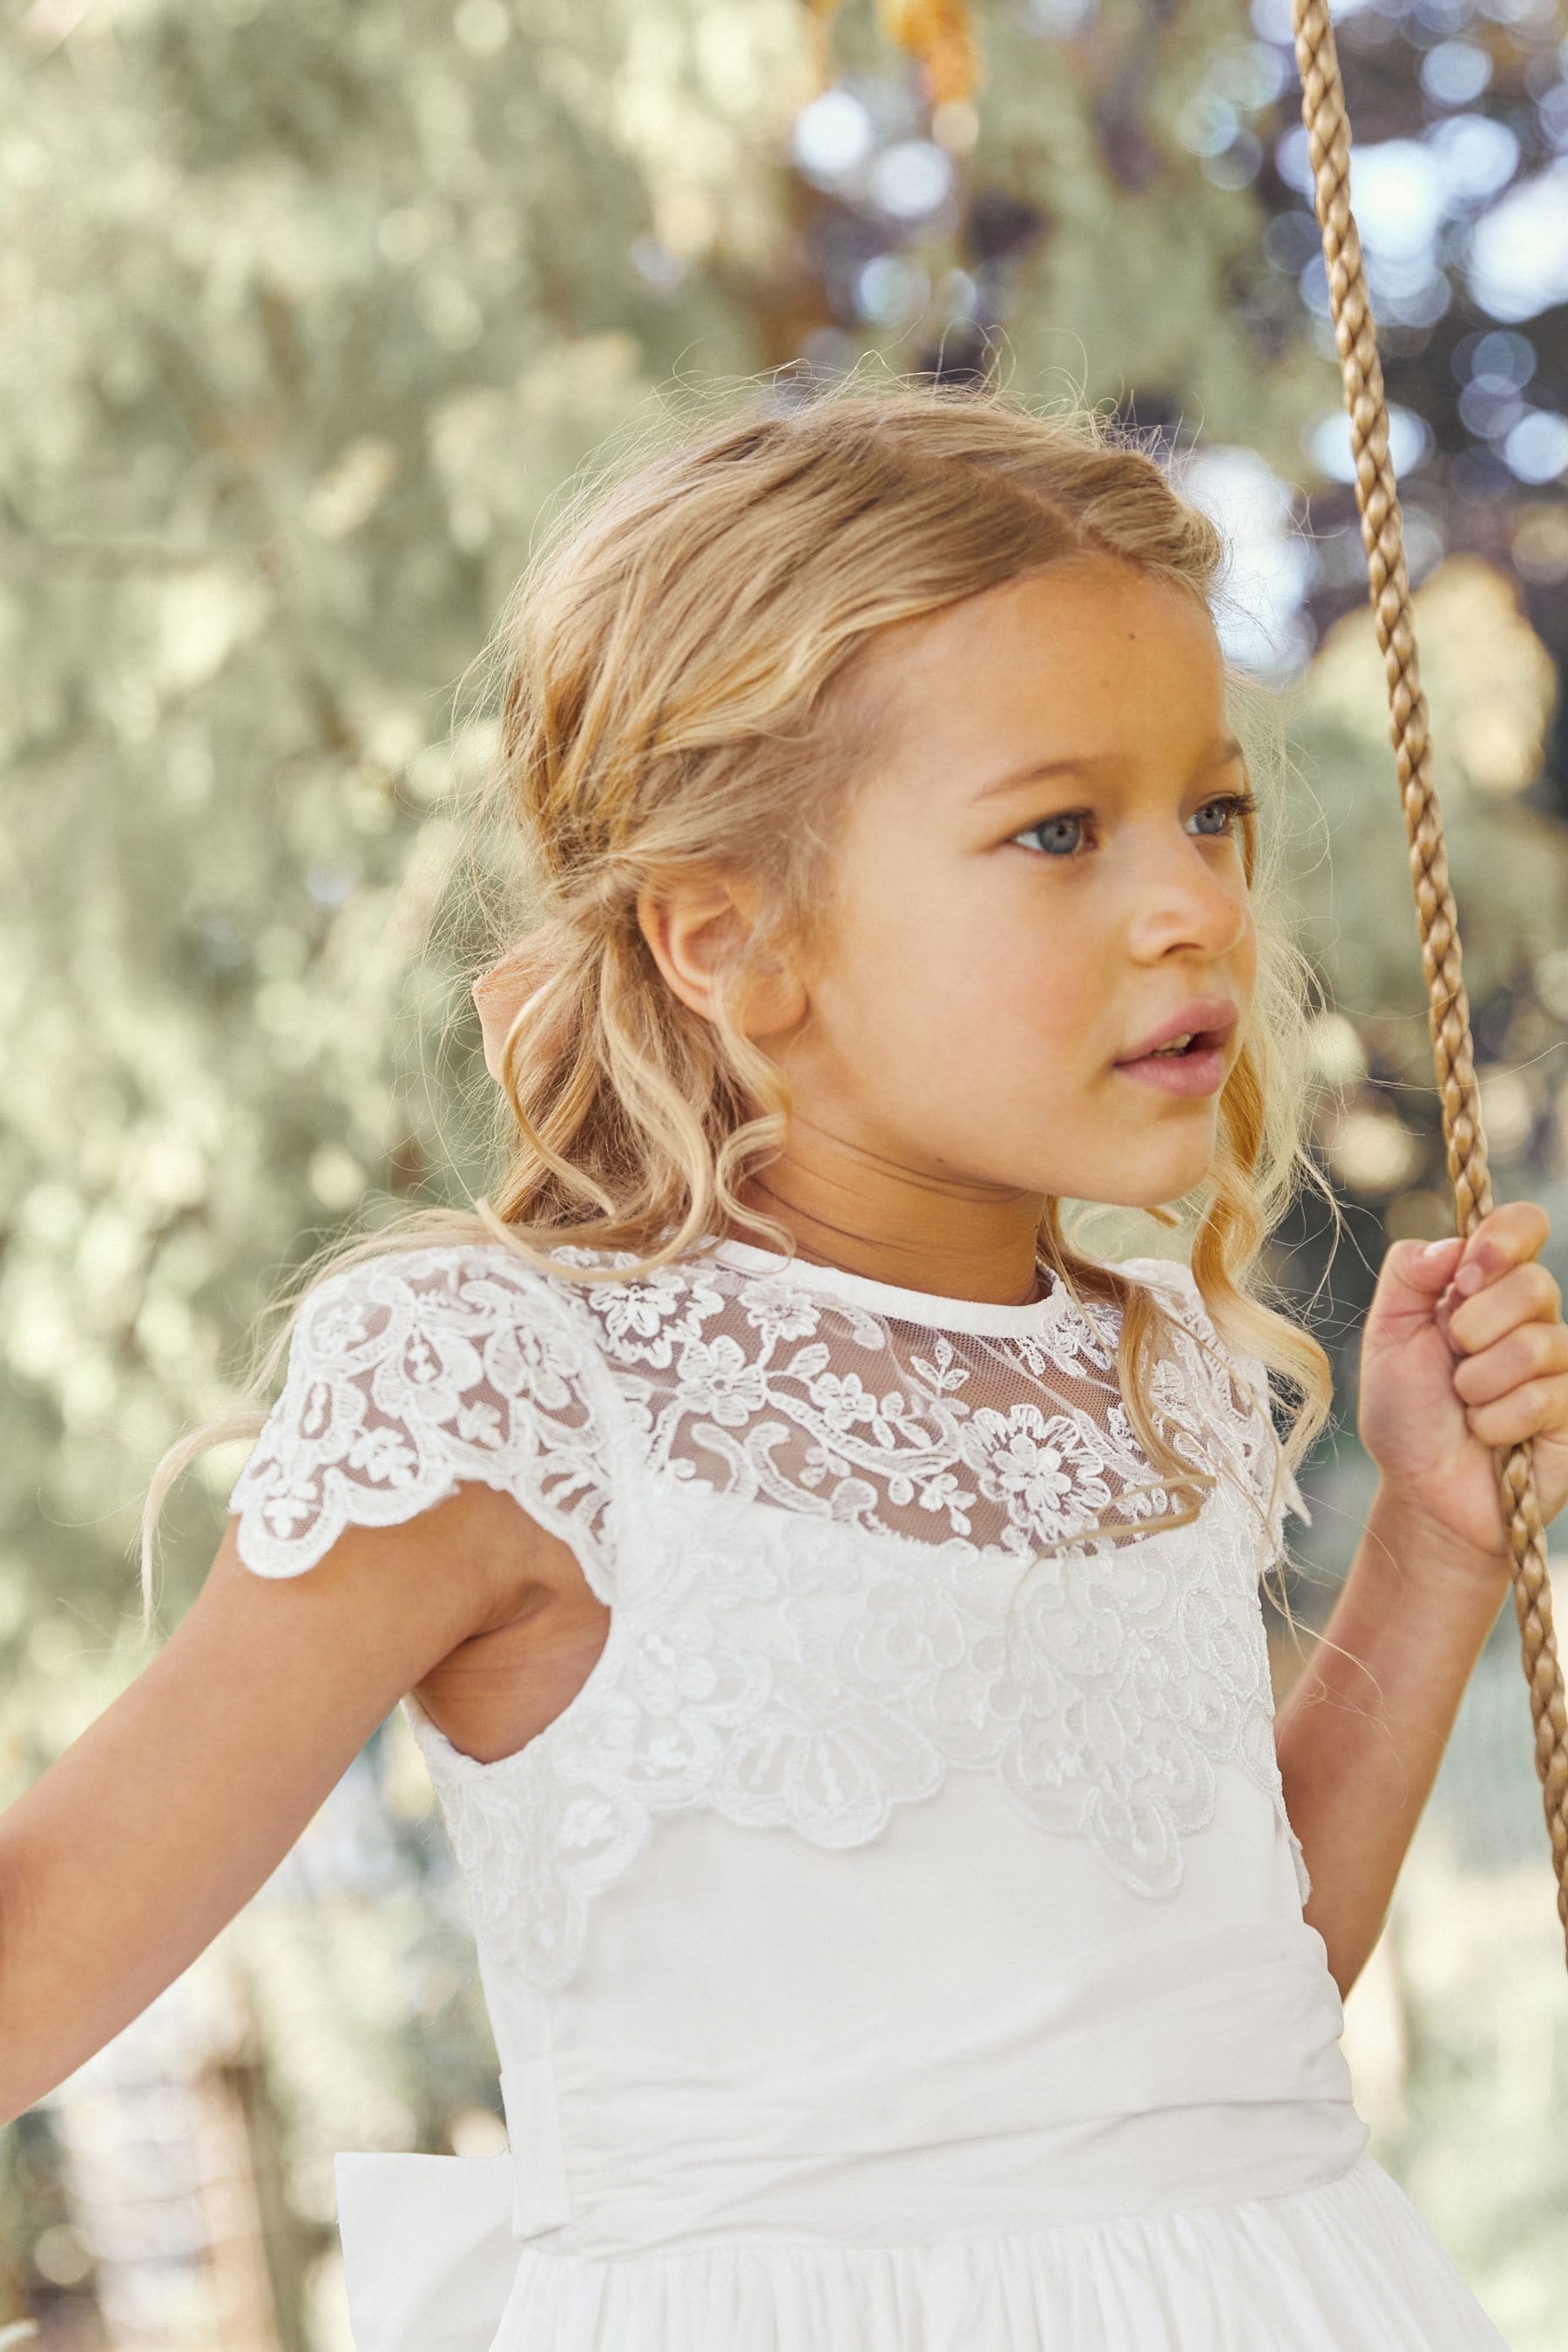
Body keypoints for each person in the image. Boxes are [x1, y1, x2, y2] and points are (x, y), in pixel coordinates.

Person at [4, 380, 1565, 2352]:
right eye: (1060, 830)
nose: (1192, 907)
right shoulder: (513, 1392)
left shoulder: (1155, 1374)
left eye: (1214, 813)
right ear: (731, 942)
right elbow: (39, 1944)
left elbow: (1225, 2033)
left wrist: (1435, 1553)